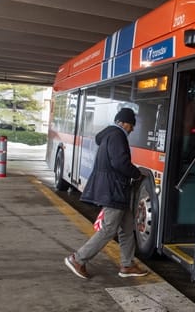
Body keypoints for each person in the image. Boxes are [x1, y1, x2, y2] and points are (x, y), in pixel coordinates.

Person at [64, 107, 149, 279]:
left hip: (115, 189)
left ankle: (127, 265)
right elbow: (119, 162)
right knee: (109, 229)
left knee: (126, 227)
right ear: (123, 123)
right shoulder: (117, 136)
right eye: (131, 125)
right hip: (114, 190)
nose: (132, 129)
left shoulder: (109, 135)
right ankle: (78, 259)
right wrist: (136, 173)